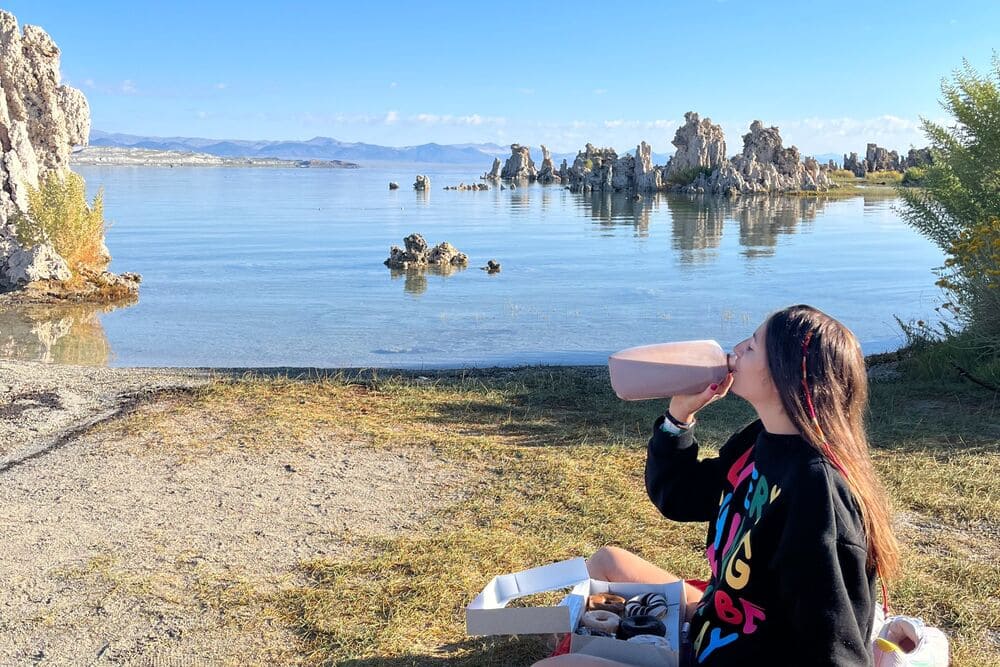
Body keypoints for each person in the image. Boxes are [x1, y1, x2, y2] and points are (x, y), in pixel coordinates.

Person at [535, 304, 899, 666]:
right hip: (713, 622)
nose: (737, 349)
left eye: (753, 346)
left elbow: (833, 648)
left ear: (786, 375)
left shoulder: (816, 492)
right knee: (606, 561)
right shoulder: (760, 440)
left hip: (740, 653)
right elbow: (680, 496)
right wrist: (679, 416)